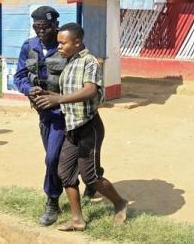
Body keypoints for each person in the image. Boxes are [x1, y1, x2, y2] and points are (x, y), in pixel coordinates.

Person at [34, 23, 128, 231]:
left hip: (89, 127)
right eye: (58, 42)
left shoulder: (89, 62)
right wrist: (46, 95)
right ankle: (78, 220)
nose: (58, 46)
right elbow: (64, 92)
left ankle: (120, 202)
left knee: (90, 177)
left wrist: (59, 100)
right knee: (65, 172)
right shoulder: (69, 62)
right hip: (72, 128)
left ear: (77, 42)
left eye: (62, 43)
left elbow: (90, 91)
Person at [13, 6, 97, 226]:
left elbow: (80, 82)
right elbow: (19, 76)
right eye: (37, 27)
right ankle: (90, 173)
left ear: (54, 26)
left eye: (45, 27)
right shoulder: (28, 47)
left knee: (52, 159)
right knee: (56, 158)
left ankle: (52, 200)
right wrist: (27, 89)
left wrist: (60, 98)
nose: (41, 32)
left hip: (64, 114)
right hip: (44, 113)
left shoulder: (66, 48)